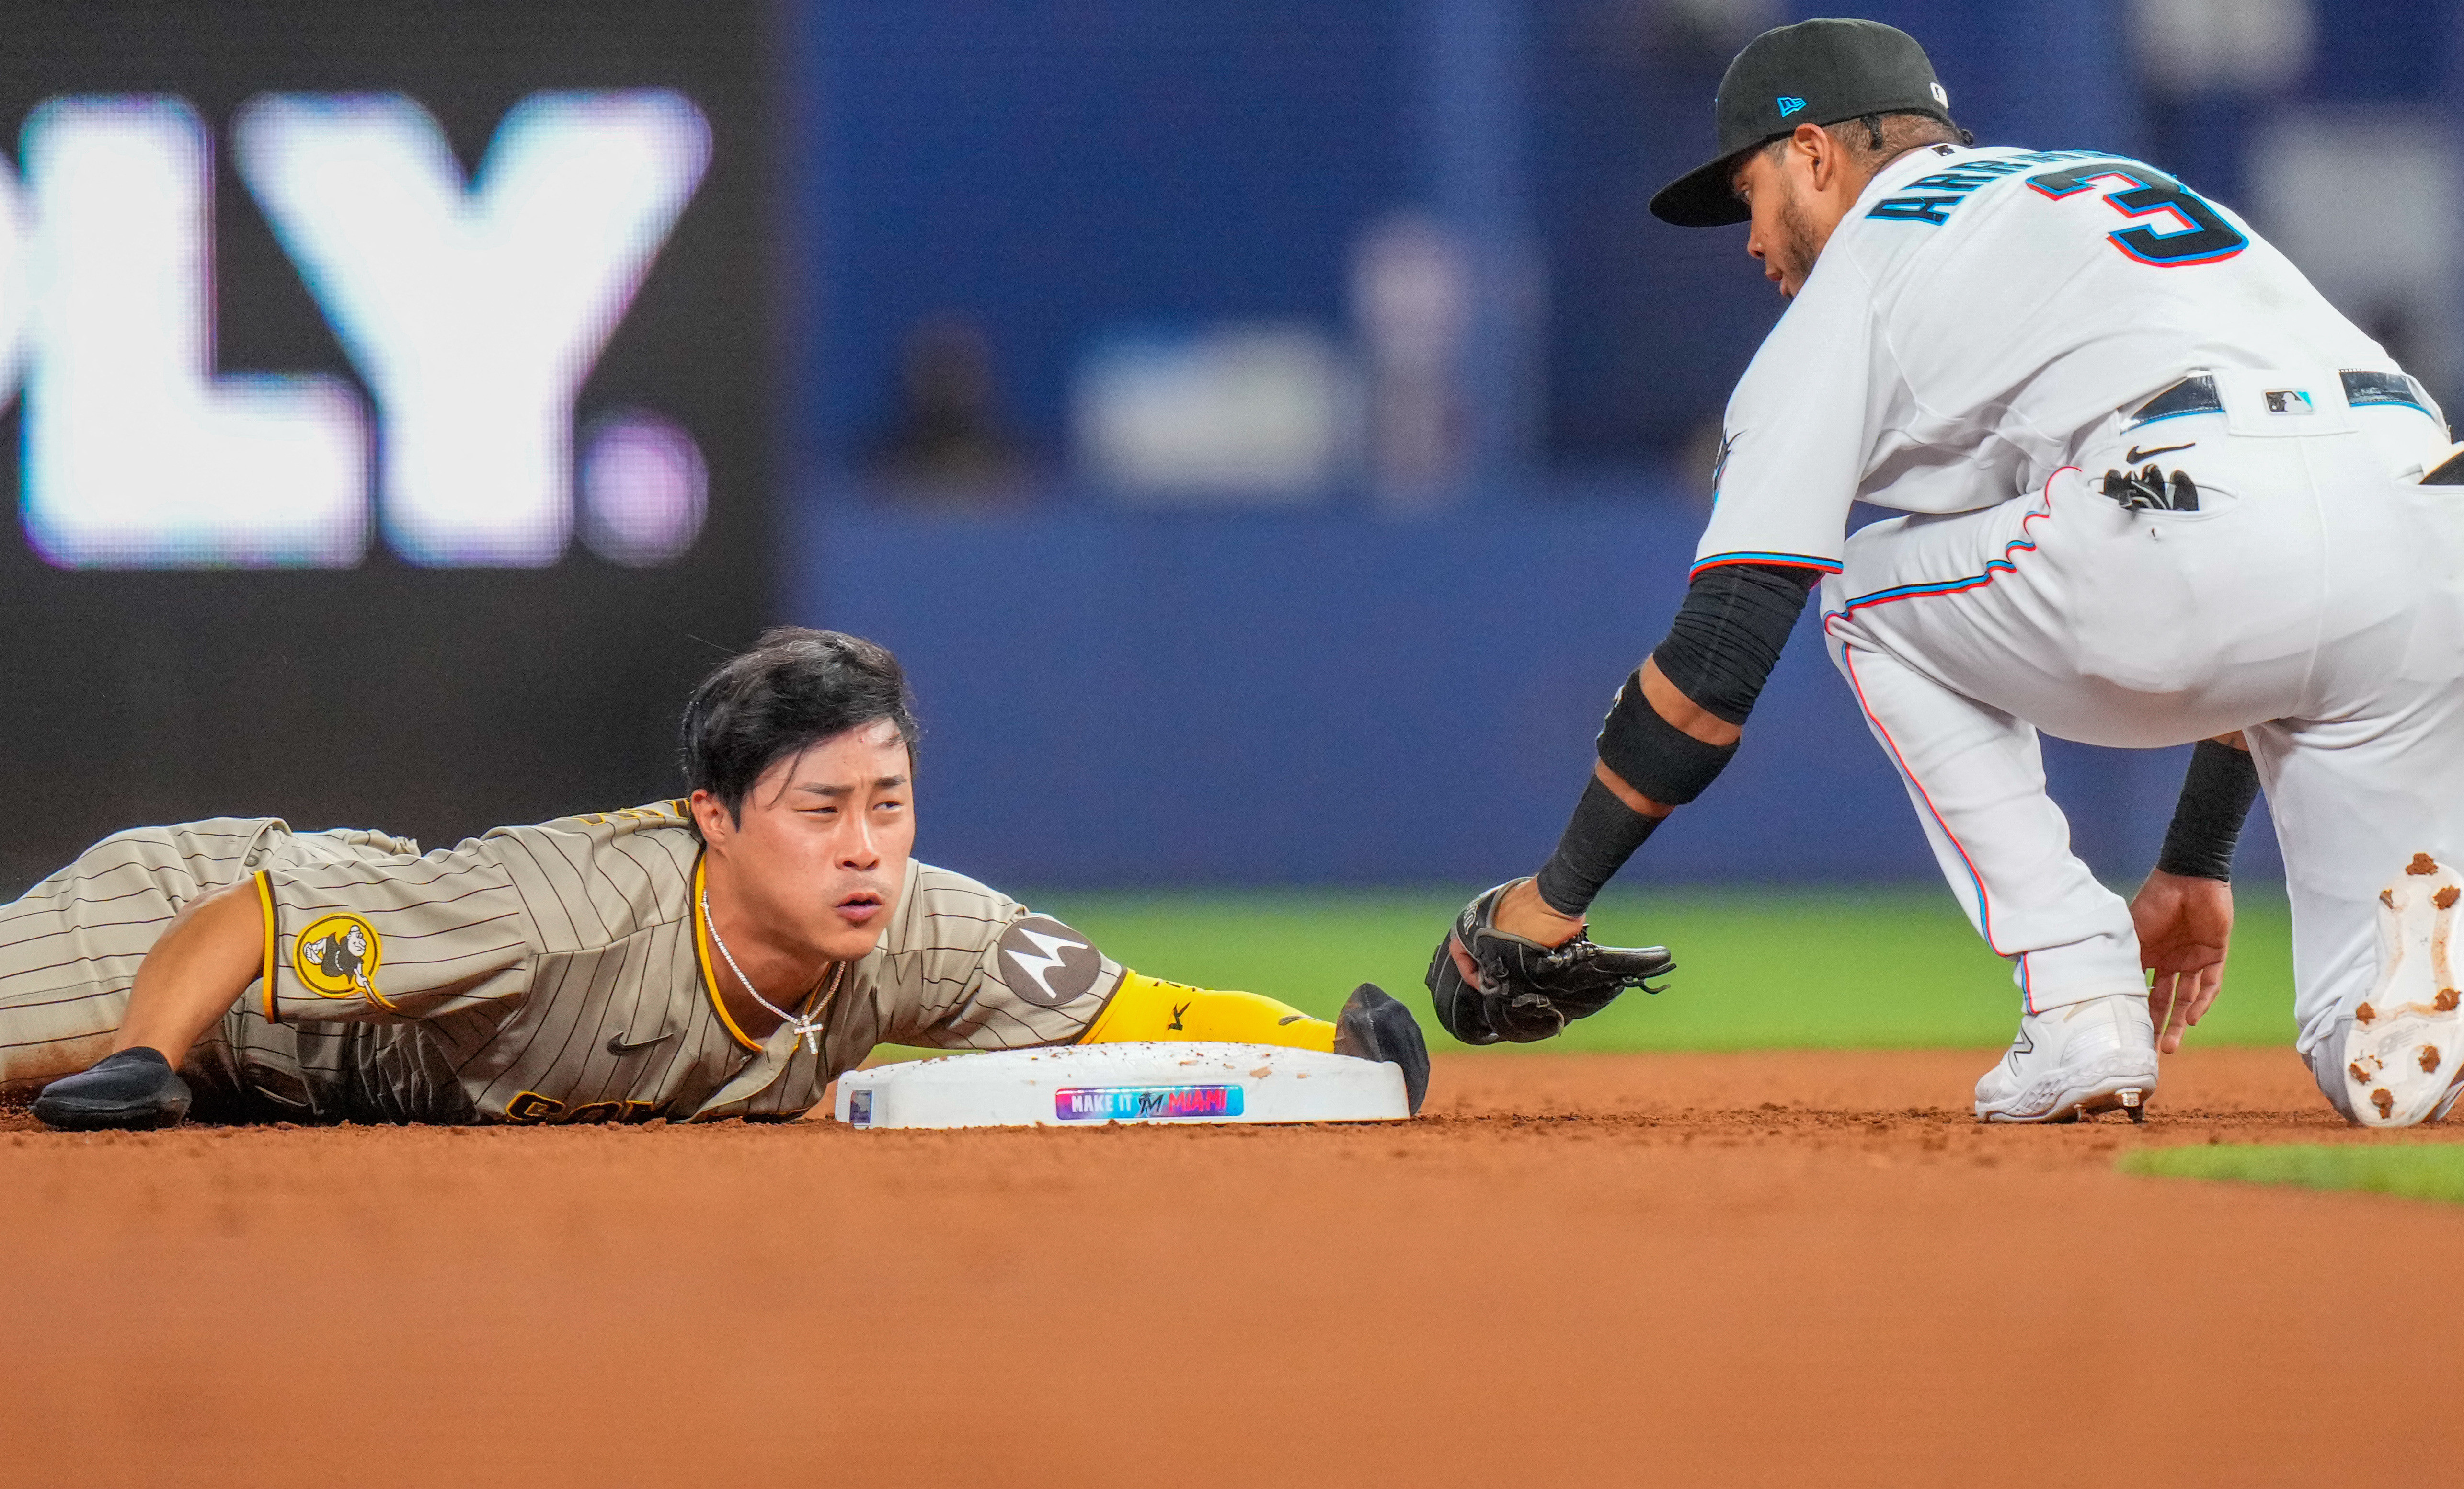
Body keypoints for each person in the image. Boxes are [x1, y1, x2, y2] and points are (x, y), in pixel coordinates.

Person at [1427, 18, 2464, 1130]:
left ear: (1815, 156)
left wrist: (1551, 900)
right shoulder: (2108, 190)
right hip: (2437, 531)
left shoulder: (1867, 264)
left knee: (1863, 600)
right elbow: (2297, 528)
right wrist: (2196, 851)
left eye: (1750, 190)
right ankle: (2442, 979)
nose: (1751, 241)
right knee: (2364, 1064)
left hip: (2207, 515)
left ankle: (2079, 993)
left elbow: (1719, 660)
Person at [16, 627, 1427, 1129]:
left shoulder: (917, 926)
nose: (866, 844)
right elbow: (248, 919)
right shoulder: (562, 908)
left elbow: (1125, 1009)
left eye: (889, 800)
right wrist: (148, 1052)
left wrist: (1334, 1047)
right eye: (822, 808)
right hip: (189, 947)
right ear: (714, 816)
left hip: (322, 1084)